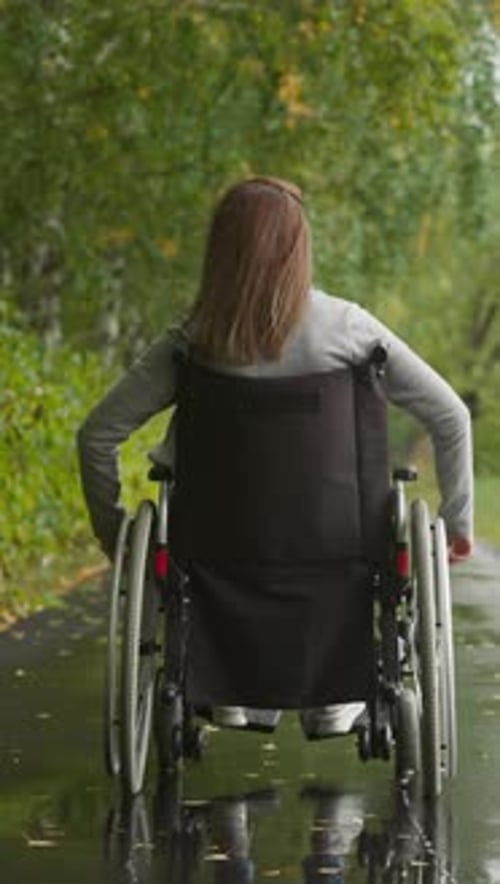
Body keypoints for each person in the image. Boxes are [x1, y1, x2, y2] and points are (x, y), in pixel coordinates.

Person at [77, 176, 473, 734]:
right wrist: (458, 523)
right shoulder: (351, 329)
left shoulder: (191, 341)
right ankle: (334, 696)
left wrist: (110, 530)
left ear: (220, 252)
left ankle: (229, 687)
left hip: (215, 555)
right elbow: (451, 416)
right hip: (342, 548)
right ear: (299, 249)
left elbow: (95, 436)